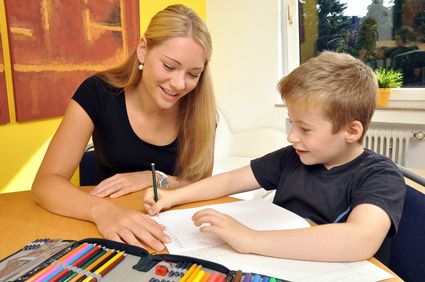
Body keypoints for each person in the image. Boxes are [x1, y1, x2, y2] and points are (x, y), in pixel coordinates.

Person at [144, 51, 406, 262]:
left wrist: (250, 239)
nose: (292, 136)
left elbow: (360, 239)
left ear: (351, 130)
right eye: (291, 123)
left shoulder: (380, 175)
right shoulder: (293, 157)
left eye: (305, 129)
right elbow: (230, 181)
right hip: (276, 261)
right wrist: (174, 196)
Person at [32, 4, 216, 251]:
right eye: (169, 67)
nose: (179, 84)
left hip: (175, 238)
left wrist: (154, 179)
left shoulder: (201, 112)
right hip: (105, 230)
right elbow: (46, 183)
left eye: (193, 74)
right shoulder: (97, 93)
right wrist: (104, 212)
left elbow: (204, 183)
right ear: (143, 50)